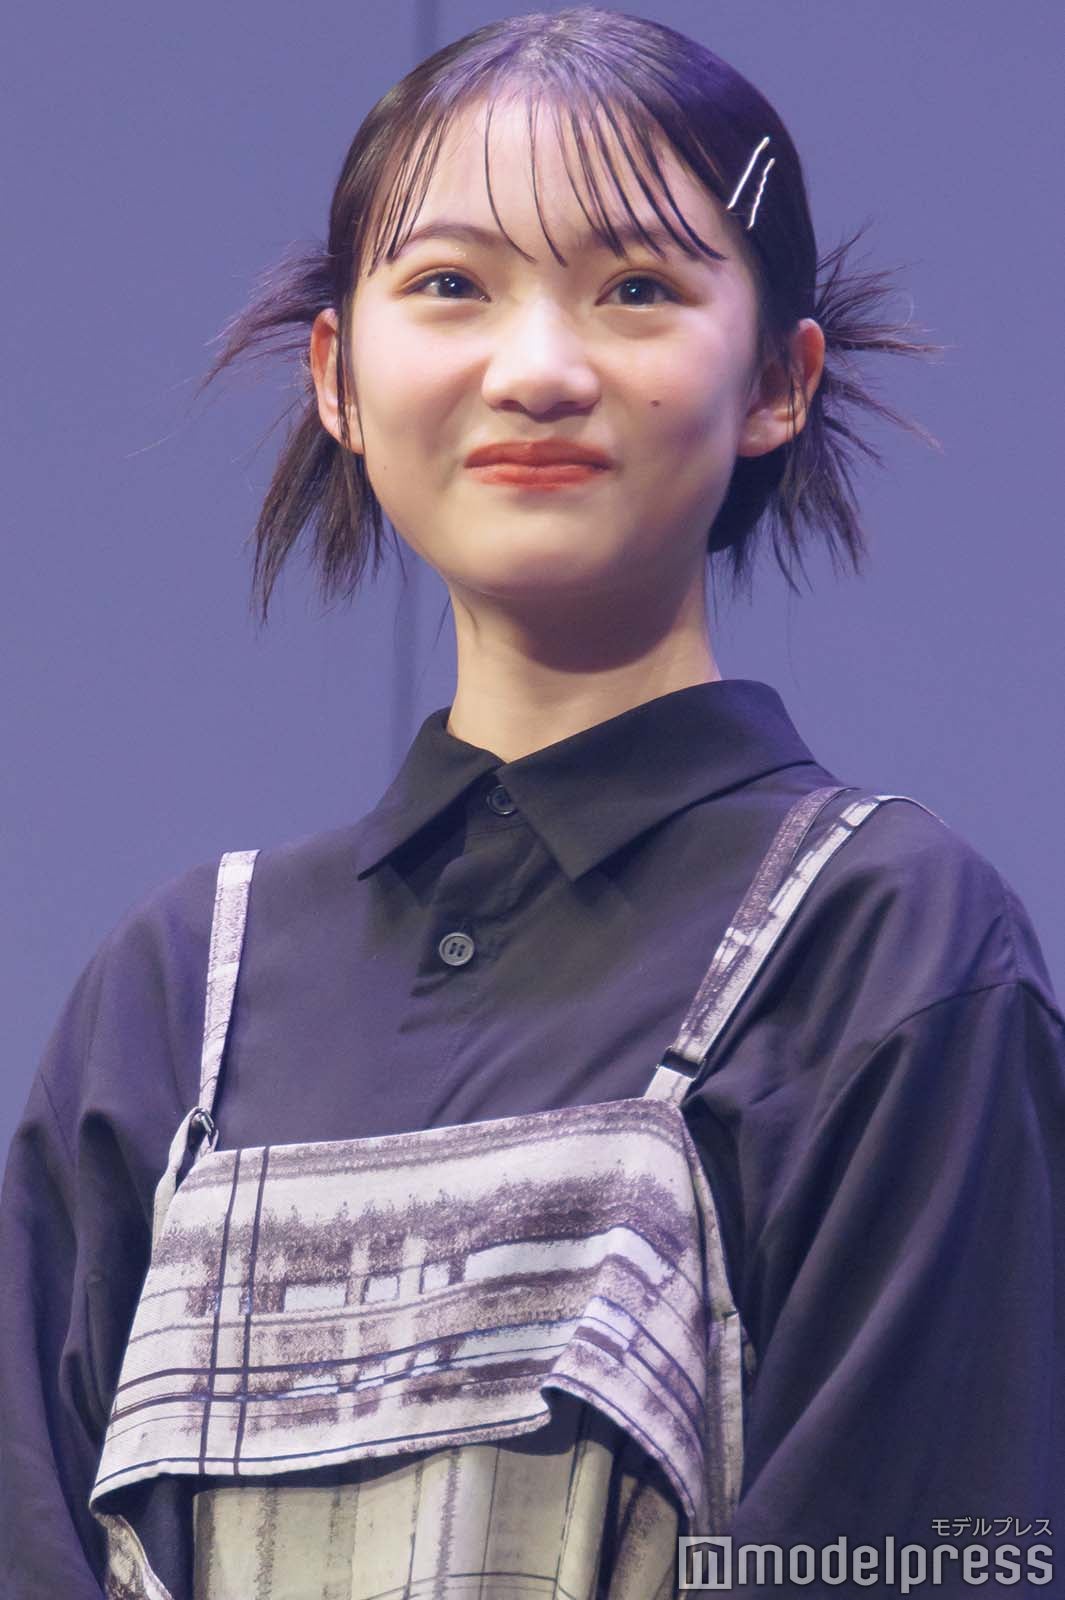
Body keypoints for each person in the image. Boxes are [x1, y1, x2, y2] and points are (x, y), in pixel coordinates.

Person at [0, 9, 1060, 1598]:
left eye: (636, 289)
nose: (539, 370)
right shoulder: (172, 994)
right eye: (450, 285)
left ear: (776, 381)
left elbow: (923, 1554)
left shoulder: (890, 948)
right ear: (339, 377)